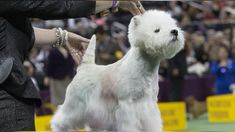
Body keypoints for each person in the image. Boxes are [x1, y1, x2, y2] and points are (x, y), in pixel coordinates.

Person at [0, 1, 145, 131]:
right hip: (7, 98)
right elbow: (60, 4)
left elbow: (10, 33)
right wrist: (114, 2)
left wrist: (64, 37)